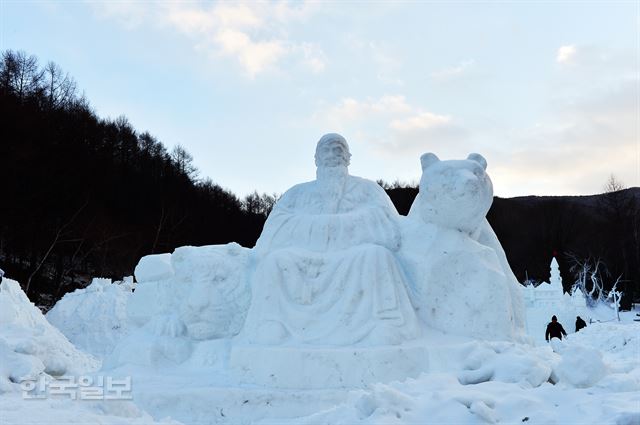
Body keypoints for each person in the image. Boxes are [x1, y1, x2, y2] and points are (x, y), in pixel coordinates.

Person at [241, 133, 421, 346]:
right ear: (316, 158)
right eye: (326, 150)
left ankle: (385, 322)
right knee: (275, 261)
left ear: (348, 157)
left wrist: (321, 225)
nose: (333, 154)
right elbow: (277, 226)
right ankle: (271, 323)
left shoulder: (369, 190)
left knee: (377, 255)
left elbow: (388, 225)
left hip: (352, 257)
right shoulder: (296, 193)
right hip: (303, 258)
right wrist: (338, 225)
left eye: (339, 149)